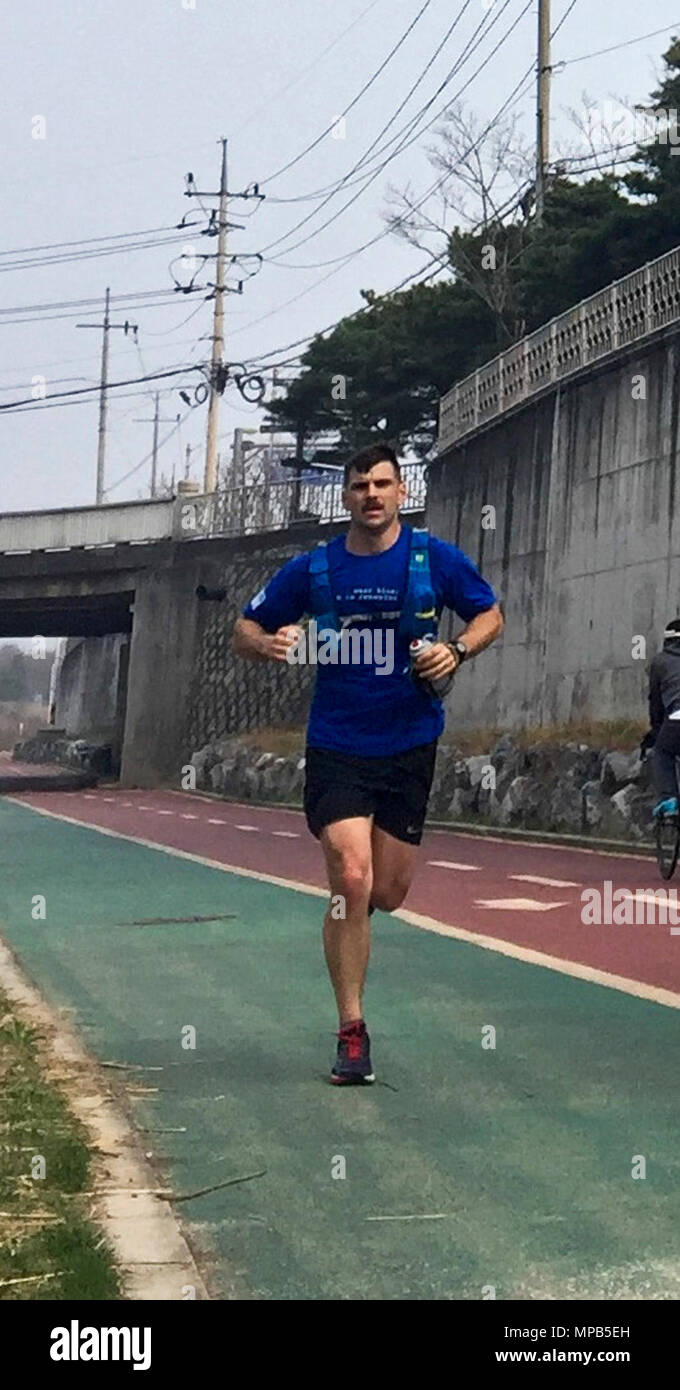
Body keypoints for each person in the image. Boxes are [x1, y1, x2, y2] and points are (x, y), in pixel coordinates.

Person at [233, 443, 503, 1084]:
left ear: (401, 492)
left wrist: (457, 650)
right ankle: (352, 1032)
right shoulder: (314, 567)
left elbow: (490, 613)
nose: (371, 495)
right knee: (351, 878)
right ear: (347, 497)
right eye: (359, 486)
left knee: (386, 891)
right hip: (337, 744)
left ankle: (353, 918)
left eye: (382, 484)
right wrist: (269, 642)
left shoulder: (433, 559)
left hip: (410, 742)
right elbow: (244, 627)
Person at [641, 618, 680, 816]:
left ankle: (670, 798)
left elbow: (655, 701)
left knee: (663, 752)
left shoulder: (660, 661)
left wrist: (656, 729)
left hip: (676, 717)